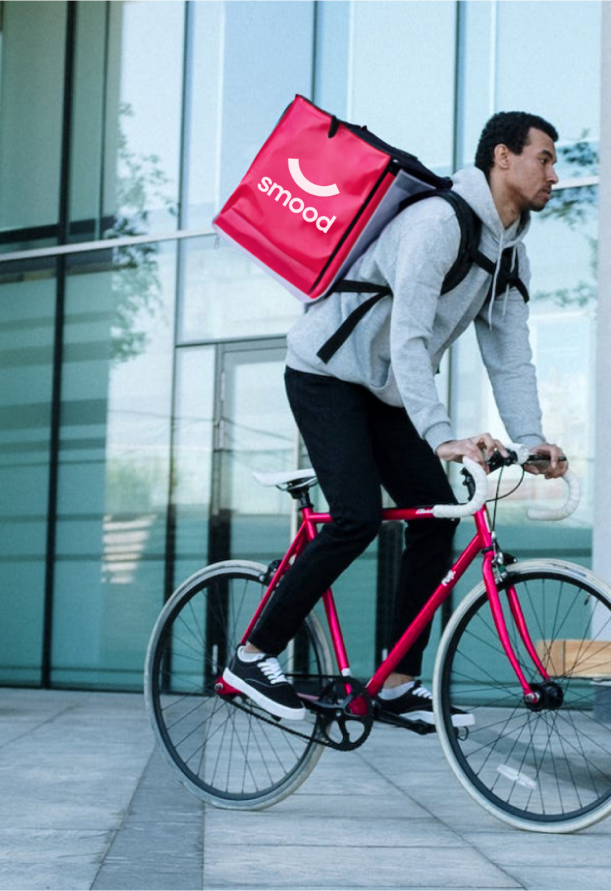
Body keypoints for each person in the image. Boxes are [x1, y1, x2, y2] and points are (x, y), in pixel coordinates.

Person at [222, 111, 568, 724]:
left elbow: (511, 358)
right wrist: (442, 436)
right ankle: (251, 654)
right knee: (355, 515)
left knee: (436, 519)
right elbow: (409, 338)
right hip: (325, 374)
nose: (555, 174)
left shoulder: (511, 258)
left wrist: (533, 439)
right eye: (544, 158)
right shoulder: (438, 223)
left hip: (383, 393)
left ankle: (395, 682)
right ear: (502, 157)